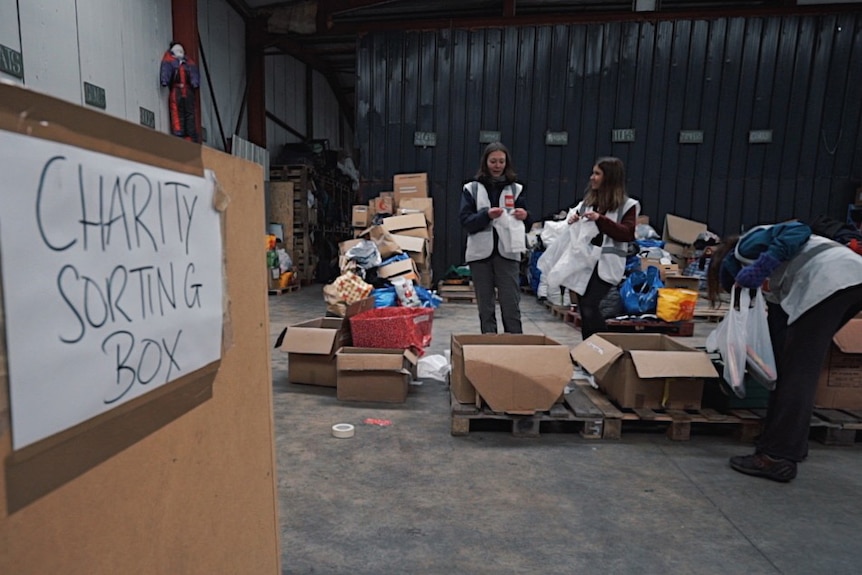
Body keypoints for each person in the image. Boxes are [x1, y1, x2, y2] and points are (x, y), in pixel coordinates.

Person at [707, 221, 862, 482]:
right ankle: (780, 443)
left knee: (797, 374)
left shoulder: (746, 246)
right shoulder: (773, 284)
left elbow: (798, 230)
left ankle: (778, 457)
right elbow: (777, 329)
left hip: (832, 280)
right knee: (787, 366)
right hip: (846, 283)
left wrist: (762, 265)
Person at [565, 157, 639, 339]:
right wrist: (574, 221)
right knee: (584, 307)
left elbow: (626, 233)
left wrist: (600, 219)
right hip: (585, 262)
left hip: (606, 263)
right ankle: (588, 350)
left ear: (609, 178)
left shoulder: (627, 206)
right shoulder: (588, 203)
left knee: (591, 305)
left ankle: (604, 349)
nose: (592, 178)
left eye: (597, 174)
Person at [460, 142, 530, 334]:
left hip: (508, 254)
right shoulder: (471, 189)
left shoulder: (516, 189)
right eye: (493, 161)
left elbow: (527, 222)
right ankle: (489, 344)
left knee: (511, 304)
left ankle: (515, 347)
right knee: (486, 307)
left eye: (501, 161)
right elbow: (465, 221)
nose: (497, 165)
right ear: (486, 162)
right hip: (480, 256)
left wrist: (525, 216)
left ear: (507, 163)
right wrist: (486, 215)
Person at [160, 42, 201, 142]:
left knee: (187, 114)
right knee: (178, 114)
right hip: (178, 91)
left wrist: (195, 83)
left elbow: (194, 73)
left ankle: (189, 136)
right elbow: (166, 71)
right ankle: (180, 136)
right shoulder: (171, 60)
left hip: (184, 92)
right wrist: (164, 80)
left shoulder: (185, 61)